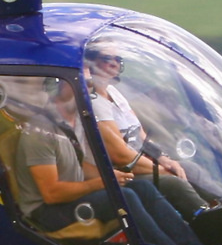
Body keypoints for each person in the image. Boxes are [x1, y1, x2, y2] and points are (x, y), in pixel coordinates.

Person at [14, 77, 203, 245]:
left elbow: (78, 165)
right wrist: (104, 181)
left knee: (143, 187)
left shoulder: (75, 122)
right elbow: (51, 194)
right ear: (58, 87)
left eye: (90, 85)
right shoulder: (41, 132)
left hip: (72, 198)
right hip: (46, 213)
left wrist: (111, 175)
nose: (90, 89)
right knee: (125, 196)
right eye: (85, 83)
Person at [84, 48, 212, 219]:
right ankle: (209, 222)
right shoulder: (95, 103)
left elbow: (140, 134)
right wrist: (161, 170)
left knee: (192, 169)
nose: (114, 63)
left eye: (117, 58)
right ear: (91, 63)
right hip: (124, 173)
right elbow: (119, 156)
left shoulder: (114, 92)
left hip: (141, 164)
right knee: (174, 183)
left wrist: (164, 159)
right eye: (107, 58)